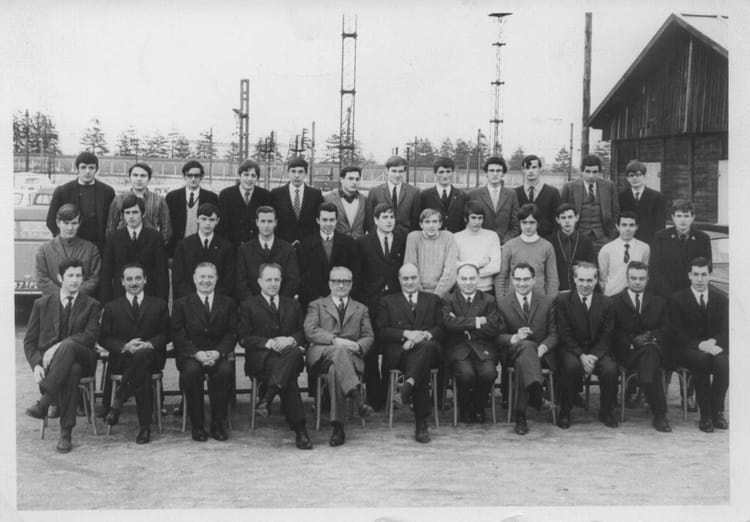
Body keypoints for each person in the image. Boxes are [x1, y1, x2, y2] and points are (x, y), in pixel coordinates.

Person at [23, 259, 102, 453]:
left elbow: (90, 336)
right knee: (71, 370)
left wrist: (59, 346)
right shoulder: (42, 304)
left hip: (84, 357)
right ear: (60, 278)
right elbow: (29, 342)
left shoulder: (92, 305)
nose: (75, 280)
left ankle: (45, 401)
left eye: (79, 276)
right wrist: (36, 365)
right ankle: (65, 433)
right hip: (56, 367)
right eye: (70, 276)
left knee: (69, 347)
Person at [238, 263, 313, 450]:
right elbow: (244, 338)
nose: (273, 284)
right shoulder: (248, 305)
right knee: (289, 377)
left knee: (292, 354)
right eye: (268, 280)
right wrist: (269, 343)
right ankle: (300, 430)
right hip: (262, 360)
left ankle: (267, 398)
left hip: (289, 356)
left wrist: (290, 340)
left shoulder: (293, 304)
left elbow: (303, 333)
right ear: (259, 281)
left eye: (276, 279)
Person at [99, 263, 170, 444]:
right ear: (122, 282)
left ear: (145, 280)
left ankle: (118, 401)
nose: (134, 283)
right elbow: (104, 337)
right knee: (141, 369)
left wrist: (149, 344)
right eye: (129, 279)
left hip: (152, 357)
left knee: (142, 356)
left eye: (138, 278)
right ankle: (144, 428)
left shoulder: (159, 305)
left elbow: (167, 333)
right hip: (122, 359)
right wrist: (125, 346)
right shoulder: (112, 307)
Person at [304, 266, 374, 447]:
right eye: (337, 281)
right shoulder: (317, 305)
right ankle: (358, 398)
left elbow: (369, 336)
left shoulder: (361, 308)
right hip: (322, 355)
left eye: (346, 281)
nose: (341, 285)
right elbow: (310, 330)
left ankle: (338, 427)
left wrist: (358, 346)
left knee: (336, 370)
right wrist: (335, 341)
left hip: (350, 358)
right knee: (338, 350)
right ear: (329, 283)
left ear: (351, 284)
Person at [377, 263, 443, 443]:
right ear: (399, 280)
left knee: (425, 349)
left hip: (428, 350)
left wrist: (423, 336)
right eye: (405, 278)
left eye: (413, 277)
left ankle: (406, 388)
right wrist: (406, 334)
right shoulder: (387, 301)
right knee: (421, 364)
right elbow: (382, 331)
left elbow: (441, 328)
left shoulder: (433, 299)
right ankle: (421, 423)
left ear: (419, 278)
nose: (409, 281)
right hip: (400, 353)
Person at [172, 262, 237, 442]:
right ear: (194, 279)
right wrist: (196, 353)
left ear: (216, 279)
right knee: (192, 373)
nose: (206, 281)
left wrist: (218, 352)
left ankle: (217, 423)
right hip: (191, 356)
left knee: (225, 371)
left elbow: (232, 333)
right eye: (202, 276)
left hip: (217, 354)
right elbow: (177, 334)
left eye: (210, 277)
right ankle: (198, 425)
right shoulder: (181, 304)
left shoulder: (228, 303)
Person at [668, 257, 728, 433]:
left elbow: (726, 329)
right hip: (688, 348)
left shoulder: (720, 299)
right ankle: (706, 415)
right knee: (701, 360)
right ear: (689, 275)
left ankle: (717, 412)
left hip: (713, 346)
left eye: (703, 274)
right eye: (696, 274)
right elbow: (676, 332)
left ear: (710, 275)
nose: (699, 279)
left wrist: (713, 341)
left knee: (724, 363)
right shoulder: (677, 299)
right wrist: (699, 344)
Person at [355, 203, 407, 410]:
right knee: (370, 348)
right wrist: (362, 301)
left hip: (394, 302)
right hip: (371, 301)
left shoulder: (403, 238)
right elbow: (359, 274)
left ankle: (387, 394)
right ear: (375, 220)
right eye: (384, 217)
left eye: (392, 217)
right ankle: (374, 396)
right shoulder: (363, 242)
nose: (389, 221)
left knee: (391, 348)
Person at [554, 262, 617, 429]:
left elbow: (607, 334)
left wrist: (594, 356)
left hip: (597, 351)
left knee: (610, 369)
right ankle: (565, 412)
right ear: (574, 279)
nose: (585, 284)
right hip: (571, 349)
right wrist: (581, 356)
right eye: (581, 280)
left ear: (596, 280)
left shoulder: (606, 302)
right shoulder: (562, 300)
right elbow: (563, 332)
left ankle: (607, 411)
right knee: (571, 367)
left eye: (589, 280)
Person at [497, 263, 557, 435]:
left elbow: (554, 334)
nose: (522, 283)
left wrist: (543, 347)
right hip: (513, 351)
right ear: (512, 280)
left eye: (526, 279)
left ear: (534, 280)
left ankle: (520, 416)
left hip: (541, 354)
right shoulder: (502, 303)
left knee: (524, 360)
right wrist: (515, 337)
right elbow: (497, 336)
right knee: (527, 347)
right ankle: (537, 396)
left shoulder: (547, 302)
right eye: (518, 279)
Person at [611, 261, 671, 432]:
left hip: (652, 348)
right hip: (627, 353)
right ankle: (659, 414)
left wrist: (650, 336)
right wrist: (631, 342)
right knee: (651, 360)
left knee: (650, 351)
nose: (637, 282)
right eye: (633, 278)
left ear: (648, 279)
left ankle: (645, 384)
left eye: (641, 278)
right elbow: (612, 331)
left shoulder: (659, 301)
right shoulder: (614, 301)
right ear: (627, 278)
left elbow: (667, 328)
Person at [442, 263, 502, 423]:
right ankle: (465, 407)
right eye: (464, 278)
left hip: (483, 347)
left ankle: (478, 405)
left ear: (478, 279)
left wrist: (461, 324)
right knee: (466, 374)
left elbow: (493, 327)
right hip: (458, 348)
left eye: (472, 278)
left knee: (489, 373)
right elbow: (448, 324)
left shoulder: (489, 300)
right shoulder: (448, 299)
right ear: (457, 279)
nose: (468, 282)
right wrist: (477, 321)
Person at [100, 195, 169, 303]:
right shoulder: (114, 238)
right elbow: (106, 274)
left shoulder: (155, 237)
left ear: (143, 214)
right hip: (120, 297)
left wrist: (162, 303)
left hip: (149, 296)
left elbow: (162, 274)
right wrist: (106, 303)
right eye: (127, 213)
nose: (131, 216)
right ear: (123, 215)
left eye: (135, 212)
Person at [46, 152, 115, 253]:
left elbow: (112, 221)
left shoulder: (107, 192)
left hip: (99, 248)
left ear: (96, 169)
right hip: (72, 248)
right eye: (83, 167)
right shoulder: (63, 191)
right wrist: (65, 241)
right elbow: (51, 221)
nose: (87, 171)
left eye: (91, 167)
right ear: (77, 168)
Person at [298, 202, 361, 307]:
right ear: (318, 220)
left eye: (331, 220)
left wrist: (342, 296)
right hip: (314, 301)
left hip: (342, 300)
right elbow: (303, 276)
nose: (328, 224)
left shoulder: (349, 243)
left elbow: (356, 272)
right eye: (324, 220)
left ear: (336, 221)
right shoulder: (305, 245)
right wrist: (317, 299)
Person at [648, 199, 712, 299]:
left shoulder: (703, 239)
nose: (682, 220)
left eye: (686, 216)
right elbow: (654, 269)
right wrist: (669, 295)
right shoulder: (660, 237)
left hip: (692, 296)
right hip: (665, 296)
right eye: (679, 216)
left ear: (693, 217)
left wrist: (690, 294)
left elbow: (707, 268)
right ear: (673, 217)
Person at [235, 206, 300, 301]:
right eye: (263, 221)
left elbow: (292, 281)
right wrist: (254, 305)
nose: (266, 225)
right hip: (252, 305)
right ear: (257, 222)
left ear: (275, 223)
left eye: (269, 221)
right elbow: (241, 283)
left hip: (280, 304)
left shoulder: (288, 249)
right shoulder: (244, 250)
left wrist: (278, 303)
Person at [171, 203, 235, 300]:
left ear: (217, 221)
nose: (207, 223)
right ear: (197, 219)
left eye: (212, 220)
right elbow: (178, 279)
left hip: (217, 301)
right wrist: (197, 299)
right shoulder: (183, 246)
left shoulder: (226, 247)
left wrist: (212, 299)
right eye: (204, 219)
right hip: (189, 301)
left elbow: (228, 280)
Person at [36, 204, 100, 297]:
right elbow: (41, 279)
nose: (70, 228)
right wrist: (63, 295)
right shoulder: (44, 250)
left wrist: (75, 296)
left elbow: (94, 278)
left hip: (82, 302)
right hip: (52, 301)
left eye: (74, 223)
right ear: (58, 223)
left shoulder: (91, 249)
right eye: (66, 223)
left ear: (79, 223)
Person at [495, 203, 558, 297]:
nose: (528, 226)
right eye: (524, 222)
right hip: (513, 301)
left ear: (538, 224)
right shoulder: (509, 246)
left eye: (532, 222)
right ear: (519, 223)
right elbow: (501, 277)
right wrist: (502, 300)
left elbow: (552, 279)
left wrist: (548, 301)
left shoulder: (547, 247)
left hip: (539, 300)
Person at [560, 154, 619, 253]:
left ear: (599, 172)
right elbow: (561, 214)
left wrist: (612, 236)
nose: (591, 175)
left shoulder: (609, 186)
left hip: (603, 238)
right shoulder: (569, 187)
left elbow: (616, 212)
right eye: (587, 171)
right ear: (582, 171)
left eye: (595, 172)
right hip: (577, 238)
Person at [107, 162, 171, 244]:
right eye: (135, 175)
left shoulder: (159, 200)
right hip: (123, 246)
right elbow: (111, 227)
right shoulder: (118, 200)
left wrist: (158, 245)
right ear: (130, 177)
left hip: (150, 246)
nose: (139, 179)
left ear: (149, 178)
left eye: (143, 176)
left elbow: (166, 228)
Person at [165, 160, 219, 256]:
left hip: (202, 247)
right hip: (178, 248)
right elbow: (167, 224)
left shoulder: (211, 197)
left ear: (201, 177)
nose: (193, 179)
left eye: (196, 176)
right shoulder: (172, 197)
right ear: (184, 176)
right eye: (189, 175)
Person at [217, 159, 274, 250]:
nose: (249, 179)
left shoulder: (265, 195)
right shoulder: (226, 195)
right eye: (246, 175)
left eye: (253, 176)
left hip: (256, 249)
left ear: (257, 178)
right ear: (239, 176)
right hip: (233, 248)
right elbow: (222, 226)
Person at [404, 208, 457, 299]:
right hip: (418, 293)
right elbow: (410, 268)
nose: (431, 225)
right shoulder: (414, 237)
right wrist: (422, 296)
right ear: (421, 224)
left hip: (442, 293)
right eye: (427, 222)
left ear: (440, 224)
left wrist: (436, 296)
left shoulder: (448, 237)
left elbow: (450, 271)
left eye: (435, 221)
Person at [271, 156, 324, 246]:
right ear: (288, 173)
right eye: (293, 171)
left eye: (300, 172)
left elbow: (319, 222)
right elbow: (273, 220)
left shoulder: (316, 195)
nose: (296, 175)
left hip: (309, 245)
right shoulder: (276, 194)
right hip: (283, 245)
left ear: (306, 173)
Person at [468, 156, 520, 245]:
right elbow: (468, 223)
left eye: (498, 171)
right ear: (486, 173)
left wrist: (505, 243)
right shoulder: (473, 194)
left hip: (504, 245)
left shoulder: (511, 194)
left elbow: (516, 225)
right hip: (480, 244)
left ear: (503, 174)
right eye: (491, 170)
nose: (495, 174)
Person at [453, 201, 502, 295]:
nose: (477, 222)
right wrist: (480, 263)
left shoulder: (492, 236)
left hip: (486, 289)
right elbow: (454, 265)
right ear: (465, 218)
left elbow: (495, 267)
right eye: (473, 218)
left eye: (480, 218)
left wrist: (467, 269)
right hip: (462, 290)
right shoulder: (455, 237)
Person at [598, 211, 650, 296]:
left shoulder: (644, 248)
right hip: (612, 295)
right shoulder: (606, 249)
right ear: (617, 226)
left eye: (631, 225)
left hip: (634, 295)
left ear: (637, 227)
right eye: (624, 225)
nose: (628, 229)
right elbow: (602, 278)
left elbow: (644, 273)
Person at [365, 155, 421, 234]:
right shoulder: (375, 191)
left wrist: (410, 237)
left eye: (400, 171)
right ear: (387, 171)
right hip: (381, 237)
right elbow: (369, 219)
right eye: (394, 171)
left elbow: (415, 220)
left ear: (405, 172)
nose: (397, 175)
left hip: (405, 237)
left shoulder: (414, 192)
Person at [547, 203, 596, 292]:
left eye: (570, 217)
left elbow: (592, 266)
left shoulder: (586, 241)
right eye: (563, 218)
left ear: (576, 218)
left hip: (580, 290)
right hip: (558, 290)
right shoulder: (550, 241)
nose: (567, 221)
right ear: (557, 220)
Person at [617, 159, 666, 246]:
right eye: (631, 175)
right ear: (627, 178)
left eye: (638, 175)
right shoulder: (621, 197)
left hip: (649, 242)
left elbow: (660, 225)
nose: (634, 178)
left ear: (644, 176)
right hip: (628, 242)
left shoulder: (657, 197)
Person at [419, 157, 469, 233]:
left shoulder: (463, 196)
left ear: (453, 172)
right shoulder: (424, 196)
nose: (445, 176)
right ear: (435, 173)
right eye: (441, 172)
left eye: (448, 171)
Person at [514, 155, 560, 237]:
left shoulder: (553, 193)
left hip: (546, 239)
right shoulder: (515, 193)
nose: (531, 171)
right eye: (527, 168)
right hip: (521, 240)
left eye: (534, 167)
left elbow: (557, 221)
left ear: (540, 169)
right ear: (523, 170)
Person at [324, 165, 367, 239]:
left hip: (359, 243)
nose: (354, 182)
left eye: (357, 179)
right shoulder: (328, 199)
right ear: (341, 179)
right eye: (350, 179)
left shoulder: (364, 200)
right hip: (337, 242)